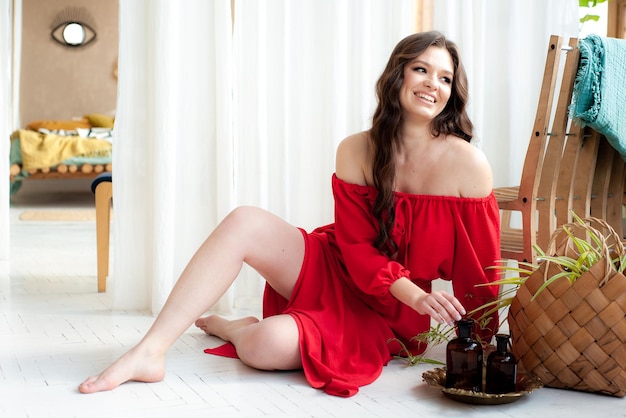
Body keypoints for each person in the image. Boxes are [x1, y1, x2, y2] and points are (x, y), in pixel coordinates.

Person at [79, 30, 500, 398]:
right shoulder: (356, 149)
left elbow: (482, 272)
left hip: (393, 310)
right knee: (244, 219)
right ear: (398, 75)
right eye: (421, 70)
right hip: (339, 266)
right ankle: (149, 351)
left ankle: (235, 327)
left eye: (445, 78)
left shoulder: (468, 165)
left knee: (265, 346)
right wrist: (417, 293)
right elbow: (355, 249)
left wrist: (481, 349)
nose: (433, 85)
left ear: (453, 93)